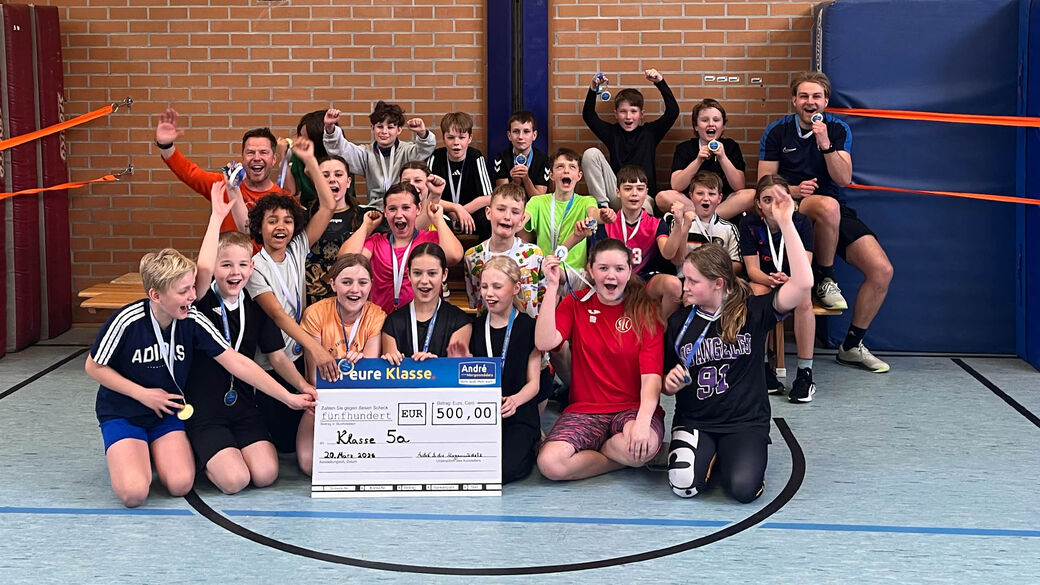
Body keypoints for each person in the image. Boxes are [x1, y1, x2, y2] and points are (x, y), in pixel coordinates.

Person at [85, 248, 314, 507]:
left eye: (192, 287)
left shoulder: (192, 318)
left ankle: (153, 453)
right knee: (134, 494)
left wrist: (288, 397)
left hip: (166, 414)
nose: (193, 296)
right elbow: (93, 367)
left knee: (181, 484)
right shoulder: (127, 320)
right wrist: (142, 394)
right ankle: (133, 452)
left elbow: (237, 361)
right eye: (184, 291)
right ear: (156, 295)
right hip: (123, 413)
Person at [662, 184, 812, 503]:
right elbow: (665, 380)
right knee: (683, 486)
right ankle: (711, 456)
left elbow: (803, 284)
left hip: (744, 423)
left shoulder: (753, 312)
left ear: (718, 284)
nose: (684, 287)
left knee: (743, 491)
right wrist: (670, 383)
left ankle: (729, 457)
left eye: (693, 281)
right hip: (696, 420)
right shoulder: (678, 322)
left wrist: (787, 223)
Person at [757, 71, 892, 372]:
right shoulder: (778, 131)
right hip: (791, 206)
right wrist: (792, 190)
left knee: (882, 271)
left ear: (826, 101)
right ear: (794, 100)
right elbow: (763, 182)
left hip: (831, 208)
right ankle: (825, 279)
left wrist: (826, 143)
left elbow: (843, 179)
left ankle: (851, 346)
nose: (810, 102)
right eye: (804, 96)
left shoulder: (837, 129)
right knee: (826, 205)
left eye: (816, 96)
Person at [188, 183, 318, 493]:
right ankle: (196, 449)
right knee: (235, 480)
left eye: (243, 265)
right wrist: (216, 217)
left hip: (243, 405)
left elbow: (277, 356)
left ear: (252, 267)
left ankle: (226, 451)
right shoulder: (202, 300)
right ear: (215, 268)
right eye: (226, 265)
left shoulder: (254, 304)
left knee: (266, 474)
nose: (235, 272)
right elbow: (203, 267)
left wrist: (303, 387)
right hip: (206, 409)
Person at [535, 238, 665, 481]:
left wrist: (642, 422)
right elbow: (544, 343)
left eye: (619, 268)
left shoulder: (645, 310)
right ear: (591, 270)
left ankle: (607, 451)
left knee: (643, 445)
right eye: (603, 268)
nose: (611, 275)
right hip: (585, 410)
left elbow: (651, 378)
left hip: (632, 408)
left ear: (630, 270)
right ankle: (615, 457)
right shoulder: (576, 302)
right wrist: (552, 287)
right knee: (550, 464)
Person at [245, 137, 339, 461]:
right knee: (281, 443)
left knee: (295, 433)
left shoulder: (298, 248)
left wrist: (310, 161)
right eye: (272, 221)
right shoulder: (255, 267)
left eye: (287, 220)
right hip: (270, 362)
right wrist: (315, 347)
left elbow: (328, 206)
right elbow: (278, 315)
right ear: (260, 227)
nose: (280, 227)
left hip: (297, 352)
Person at [299, 253, 387, 475]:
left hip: (361, 404)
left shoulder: (376, 315)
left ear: (371, 284)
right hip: (321, 401)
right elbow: (314, 377)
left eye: (362, 283)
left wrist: (362, 364)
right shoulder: (315, 313)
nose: (355, 290)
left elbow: (369, 377)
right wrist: (352, 370)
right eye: (346, 282)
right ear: (333, 284)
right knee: (310, 466)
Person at [739, 175, 817, 401]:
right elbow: (752, 269)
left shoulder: (801, 222)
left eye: (779, 199)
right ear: (758, 204)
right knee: (756, 292)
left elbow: (805, 267)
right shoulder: (750, 224)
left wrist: (790, 279)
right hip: (765, 281)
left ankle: (805, 374)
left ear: (790, 200)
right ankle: (761, 367)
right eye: (767, 200)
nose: (774, 205)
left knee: (804, 297)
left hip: (793, 281)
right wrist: (770, 279)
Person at [468, 257, 542, 483]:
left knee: (503, 470)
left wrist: (515, 401)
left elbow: (534, 383)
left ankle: (534, 441)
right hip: (482, 414)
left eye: (497, 287)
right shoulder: (475, 327)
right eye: (484, 286)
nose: (489, 293)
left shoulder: (530, 327)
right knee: (472, 465)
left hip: (518, 414)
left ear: (516, 288)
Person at [155, 108, 285, 235]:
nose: (257, 158)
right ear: (243, 158)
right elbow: (189, 173)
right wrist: (166, 146)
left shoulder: (283, 199)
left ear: (274, 159)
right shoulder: (223, 185)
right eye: (250, 152)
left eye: (263, 152)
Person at [338, 182, 463, 314]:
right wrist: (366, 227)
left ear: (418, 209)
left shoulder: (430, 240)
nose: (399, 214)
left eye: (406, 208)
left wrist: (438, 220)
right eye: (392, 209)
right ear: (385, 211)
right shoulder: (376, 242)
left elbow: (454, 256)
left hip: (425, 319)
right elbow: (346, 260)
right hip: (383, 319)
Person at [588, 165, 685, 319]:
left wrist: (679, 223)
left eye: (640, 189)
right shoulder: (606, 223)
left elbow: (668, 253)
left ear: (646, 192)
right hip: (614, 279)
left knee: (674, 285)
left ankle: (660, 329)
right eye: (628, 188)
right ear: (618, 192)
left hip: (646, 281)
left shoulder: (656, 224)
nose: (634, 193)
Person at [581, 68, 679, 210]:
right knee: (591, 154)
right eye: (623, 111)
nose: (628, 117)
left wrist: (660, 82)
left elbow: (673, 112)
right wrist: (593, 89)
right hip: (618, 195)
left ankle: (639, 219)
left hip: (643, 198)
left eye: (633, 111)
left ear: (641, 114)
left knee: (641, 212)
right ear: (616, 114)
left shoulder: (650, 133)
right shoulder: (612, 133)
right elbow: (589, 115)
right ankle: (602, 207)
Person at [521, 148, 612, 297]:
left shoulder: (586, 201)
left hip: (575, 275)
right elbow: (523, 218)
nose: (566, 171)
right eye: (560, 167)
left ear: (579, 175)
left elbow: (594, 214)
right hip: (545, 272)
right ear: (551, 175)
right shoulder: (537, 201)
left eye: (572, 167)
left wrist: (603, 215)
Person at [323, 101, 435, 209]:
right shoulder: (365, 154)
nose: (384, 131)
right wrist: (330, 128)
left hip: (403, 207)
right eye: (380, 127)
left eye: (390, 127)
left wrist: (422, 133)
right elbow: (341, 150)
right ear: (372, 128)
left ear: (399, 130)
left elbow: (425, 148)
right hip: (375, 209)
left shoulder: (407, 151)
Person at [464, 183, 546, 317]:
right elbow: (475, 301)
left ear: (522, 219)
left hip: (528, 328)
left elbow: (543, 301)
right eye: (501, 209)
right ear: (488, 213)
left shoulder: (534, 255)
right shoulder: (472, 256)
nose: (507, 216)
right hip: (488, 328)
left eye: (515, 212)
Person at [381, 243, 473, 362]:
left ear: (444, 275)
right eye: (417, 273)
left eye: (432, 273)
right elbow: (391, 370)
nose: (424, 280)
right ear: (409, 274)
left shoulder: (460, 322)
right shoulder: (392, 323)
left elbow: (454, 368)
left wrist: (432, 367)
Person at [656, 98, 746, 214]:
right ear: (696, 126)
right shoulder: (685, 148)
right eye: (704, 120)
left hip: (722, 201)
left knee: (750, 195)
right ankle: (710, 217)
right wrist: (698, 160)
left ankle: (708, 217)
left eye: (716, 120)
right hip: (692, 201)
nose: (711, 124)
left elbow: (739, 186)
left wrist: (723, 157)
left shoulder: (731, 146)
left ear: (723, 126)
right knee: (662, 197)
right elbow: (676, 186)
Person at [304, 155, 363, 305]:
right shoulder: (303, 217)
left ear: (348, 182)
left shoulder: (365, 216)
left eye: (338, 174)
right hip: (310, 302)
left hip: (351, 299)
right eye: (325, 175)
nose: (332, 179)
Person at [426, 112, 494, 239]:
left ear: (470, 138)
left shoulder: (476, 157)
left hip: (470, 213)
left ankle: (484, 251)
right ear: (443, 138)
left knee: (488, 219)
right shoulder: (435, 157)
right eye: (450, 137)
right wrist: (455, 209)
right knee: (433, 218)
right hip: (444, 212)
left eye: (462, 137)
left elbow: (488, 198)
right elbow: (426, 198)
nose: (456, 142)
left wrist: (462, 211)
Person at [678, 172, 743, 276]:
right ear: (691, 196)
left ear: (719, 198)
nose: (706, 198)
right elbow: (675, 259)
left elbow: (737, 264)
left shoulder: (729, 228)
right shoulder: (679, 224)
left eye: (711, 194)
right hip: (686, 280)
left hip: (716, 280)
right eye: (700, 193)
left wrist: (713, 273)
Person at [401, 161, 476, 234]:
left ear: (428, 183)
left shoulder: (442, 219)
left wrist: (435, 195)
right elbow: (412, 234)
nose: (412, 185)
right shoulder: (395, 214)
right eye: (406, 182)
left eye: (418, 180)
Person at [490, 110, 553, 198]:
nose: (520, 137)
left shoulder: (543, 160)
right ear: (509, 135)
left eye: (526, 131)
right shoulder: (501, 158)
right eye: (516, 131)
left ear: (534, 135)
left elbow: (539, 199)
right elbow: (502, 197)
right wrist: (515, 182)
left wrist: (525, 178)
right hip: (510, 204)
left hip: (533, 206)